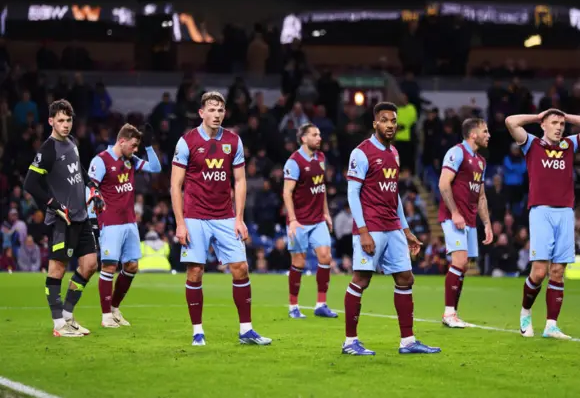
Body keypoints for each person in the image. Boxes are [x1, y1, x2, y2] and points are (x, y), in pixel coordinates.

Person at [171, 91, 271, 346]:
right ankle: (197, 331)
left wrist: (239, 218)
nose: (216, 115)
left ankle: (246, 330)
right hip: (195, 216)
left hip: (225, 216)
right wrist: (180, 223)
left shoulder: (233, 141)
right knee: (195, 272)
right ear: (201, 113)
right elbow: (175, 186)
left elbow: (239, 180)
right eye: (211, 110)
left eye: (220, 110)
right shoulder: (187, 141)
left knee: (241, 269)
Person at [343, 101, 441, 356]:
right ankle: (350, 342)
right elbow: (352, 193)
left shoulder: (394, 153)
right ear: (375, 123)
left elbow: (393, 194)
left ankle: (408, 342)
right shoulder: (361, 152)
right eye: (385, 120)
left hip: (392, 226)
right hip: (371, 227)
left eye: (393, 121)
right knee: (361, 280)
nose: (390, 125)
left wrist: (406, 231)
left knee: (406, 278)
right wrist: (363, 231)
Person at [505, 108, 580, 339]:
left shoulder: (569, 145)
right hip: (541, 212)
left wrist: (568, 117)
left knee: (558, 271)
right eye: (554, 123)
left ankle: (551, 326)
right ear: (543, 125)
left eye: (562, 123)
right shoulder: (532, 144)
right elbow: (511, 120)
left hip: (565, 213)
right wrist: (537, 116)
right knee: (539, 272)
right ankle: (526, 313)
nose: (559, 127)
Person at [23, 99, 105, 337]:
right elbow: (30, 183)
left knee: (90, 265)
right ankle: (58, 323)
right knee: (57, 269)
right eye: (60, 120)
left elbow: (77, 173)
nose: (66, 124)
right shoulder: (48, 150)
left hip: (81, 216)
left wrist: (92, 189)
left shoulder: (71, 143)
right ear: (51, 121)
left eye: (68, 120)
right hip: (63, 219)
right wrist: (53, 205)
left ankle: (68, 316)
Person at [87, 123, 161, 328]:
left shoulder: (131, 160)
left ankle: (115, 309)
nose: (135, 149)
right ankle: (105, 316)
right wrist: (93, 220)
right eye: (134, 145)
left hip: (130, 221)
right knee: (109, 266)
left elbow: (155, 168)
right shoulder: (101, 160)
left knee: (132, 266)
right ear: (122, 141)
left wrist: (149, 147)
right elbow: (90, 189)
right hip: (110, 221)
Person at [438, 118, 493, 328]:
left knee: (464, 267)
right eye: (485, 131)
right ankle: (448, 314)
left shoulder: (481, 161)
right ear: (473, 134)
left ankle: (453, 314)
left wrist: (486, 223)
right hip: (454, 217)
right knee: (459, 262)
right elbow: (443, 183)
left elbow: (481, 196)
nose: (488, 135)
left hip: (470, 219)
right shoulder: (456, 152)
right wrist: (454, 213)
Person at [282, 123, 338, 319]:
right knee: (298, 262)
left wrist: (326, 213)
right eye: (315, 134)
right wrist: (293, 220)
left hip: (317, 219)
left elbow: (320, 188)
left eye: (320, 134)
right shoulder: (294, 162)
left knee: (325, 257)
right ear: (303, 138)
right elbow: (287, 192)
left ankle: (321, 304)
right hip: (300, 221)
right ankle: (293, 306)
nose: (319, 138)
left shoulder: (321, 158)